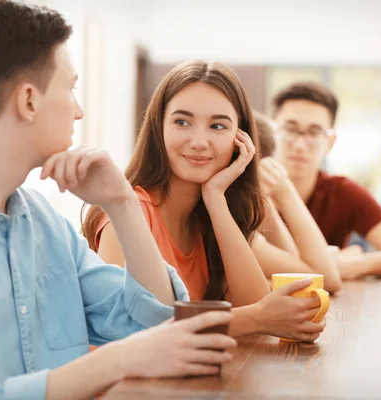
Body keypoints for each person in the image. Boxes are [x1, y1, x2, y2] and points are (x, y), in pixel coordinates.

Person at [0, 2, 238, 399]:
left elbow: (156, 324)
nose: (79, 111)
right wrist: (118, 360)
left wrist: (122, 203)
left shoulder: (42, 222)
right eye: (70, 88)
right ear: (28, 101)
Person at [82, 60, 328, 341]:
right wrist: (256, 318)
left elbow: (256, 307)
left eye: (218, 126)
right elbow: (132, 332)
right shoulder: (125, 211)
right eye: (182, 122)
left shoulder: (209, 215)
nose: (199, 141)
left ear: (241, 139)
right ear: (158, 128)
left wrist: (215, 198)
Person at [271, 82, 381, 280]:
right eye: (290, 129)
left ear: (330, 142)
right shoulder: (248, 191)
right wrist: (326, 267)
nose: (300, 144)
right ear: (272, 132)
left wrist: (353, 265)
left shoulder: (341, 192)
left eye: (314, 132)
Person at [252, 111, 341, 292]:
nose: (299, 145)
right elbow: (325, 280)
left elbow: (293, 262)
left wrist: (264, 199)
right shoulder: (235, 234)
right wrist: (286, 191)